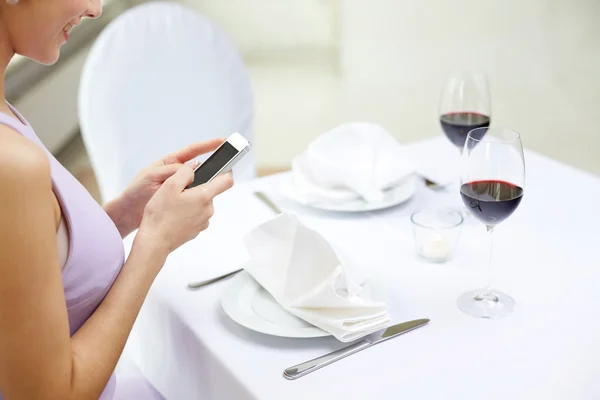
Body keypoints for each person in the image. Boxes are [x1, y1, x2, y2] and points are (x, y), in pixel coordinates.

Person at [0, 0, 235, 398]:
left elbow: (28, 274)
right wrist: (154, 244)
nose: (95, 8)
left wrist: (124, 214)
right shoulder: (11, 166)